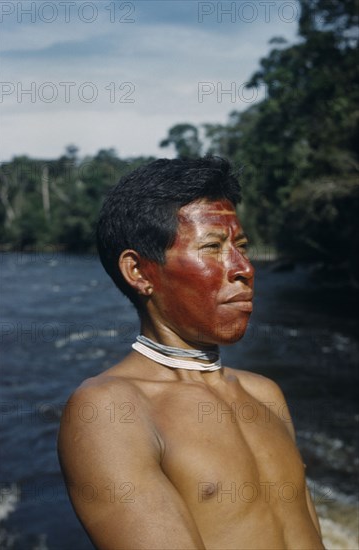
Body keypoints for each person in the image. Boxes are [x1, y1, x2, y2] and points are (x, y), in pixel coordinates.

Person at [58, 157, 324, 549]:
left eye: (242, 246)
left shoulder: (264, 394)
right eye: (213, 247)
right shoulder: (112, 411)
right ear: (139, 273)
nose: (244, 267)